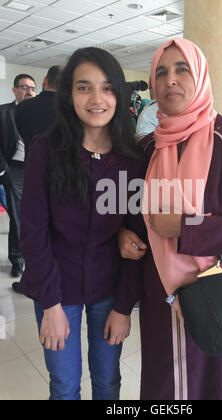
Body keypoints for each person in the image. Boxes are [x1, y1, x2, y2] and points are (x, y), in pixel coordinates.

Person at [118, 38, 222, 400]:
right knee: (169, 385)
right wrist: (122, 236)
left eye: (181, 69)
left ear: (201, 75)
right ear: (153, 85)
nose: (170, 80)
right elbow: (132, 220)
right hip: (164, 294)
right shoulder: (146, 149)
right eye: (161, 72)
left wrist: (187, 227)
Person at [19, 47, 142, 400]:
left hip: (108, 286)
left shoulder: (131, 161)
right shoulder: (47, 150)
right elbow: (33, 234)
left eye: (107, 88)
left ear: (119, 94)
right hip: (57, 286)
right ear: (69, 94)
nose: (97, 99)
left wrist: (123, 307)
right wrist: (52, 305)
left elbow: (136, 240)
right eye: (84, 87)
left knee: (107, 383)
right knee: (64, 385)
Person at [12, 66, 63, 295]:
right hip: (63, 175)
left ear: (44, 81)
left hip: (31, 171)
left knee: (33, 227)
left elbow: (21, 135)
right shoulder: (69, 109)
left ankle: (32, 280)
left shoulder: (24, 108)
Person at [0, 74, 36, 278]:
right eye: (24, 87)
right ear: (14, 90)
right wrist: (3, 168)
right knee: (17, 215)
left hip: (37, 169)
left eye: (32, 88)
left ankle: (36, 256)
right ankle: (18, 260)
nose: (29, 91)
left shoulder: (38, 112)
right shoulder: (4, 112)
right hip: (14, 169)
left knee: (37, 215)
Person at [15, 65, 63, 158]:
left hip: (32, 165)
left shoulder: (22, 107)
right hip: (64, 168)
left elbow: (22, 137)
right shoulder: (72, 109)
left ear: (45, 80)